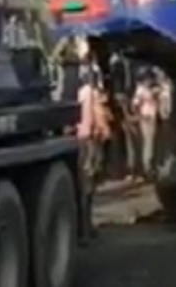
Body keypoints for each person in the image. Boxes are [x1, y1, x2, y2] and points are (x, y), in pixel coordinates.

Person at [76, 66, 111, 234]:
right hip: (91, 139)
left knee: (84, 183)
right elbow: (98, 115)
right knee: (89, 185)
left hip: (79, 138)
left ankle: (83, 226)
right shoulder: (92, 93)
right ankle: (86, 226)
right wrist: (105, 131)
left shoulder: (79, 92)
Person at [131, 70, 162, 180]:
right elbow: (135, 104)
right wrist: (139, 115)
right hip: (146, 117)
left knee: (152, 142)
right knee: (148, 143)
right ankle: (147, 168)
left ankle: (150, 166)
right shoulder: (141, 90)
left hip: (152, 117)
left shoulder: (152, 89)